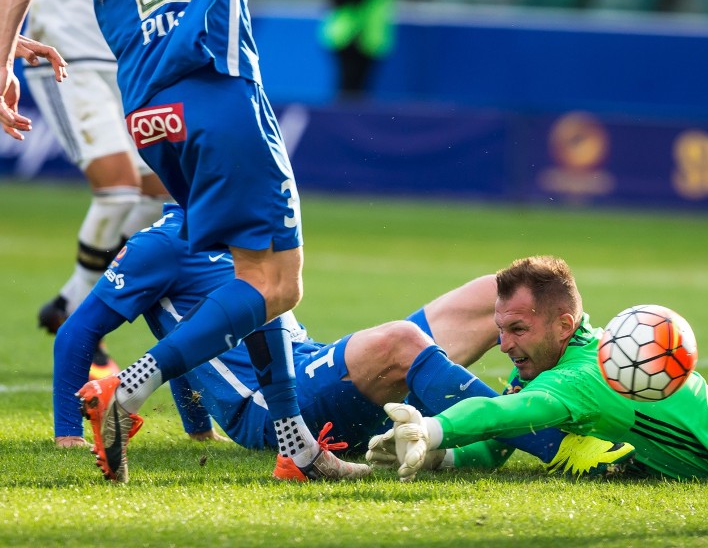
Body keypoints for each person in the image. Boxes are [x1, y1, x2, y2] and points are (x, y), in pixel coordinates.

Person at [0, 0, 347, 483]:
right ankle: (126, 392)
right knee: (277, 284)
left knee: (247, 273)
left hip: (148, 111)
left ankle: (296, 449)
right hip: (215, 86)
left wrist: (4, 56)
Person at [55, 204, 634, 480]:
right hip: (271, 408)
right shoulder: (161, 243)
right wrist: (64, 436)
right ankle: (557, 444)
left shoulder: (237, 225)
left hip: (305, 366)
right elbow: (77, 334)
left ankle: (588, 384)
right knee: (402, 342)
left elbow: (192, 332)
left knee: (500, 293)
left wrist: (196, 426)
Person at [371, 255, 708, 483]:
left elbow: (504, 412)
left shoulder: (583, 378)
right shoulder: (568, 356)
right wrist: (440, 456)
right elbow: (501, 437)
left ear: (563, 325)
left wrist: (433, 428)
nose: (502, 344)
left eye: (517, 329)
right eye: (501, 328)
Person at [24, 0, 172, 379]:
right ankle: (82, 317)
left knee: (159, 193)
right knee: (118, 191)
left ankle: (71, 301)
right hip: (63, 53)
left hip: (125, 54)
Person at [320, 0, 397, 98]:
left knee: (353, 90)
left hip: (358, 38)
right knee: (351, 90)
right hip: (354, 37)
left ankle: (349, 115)